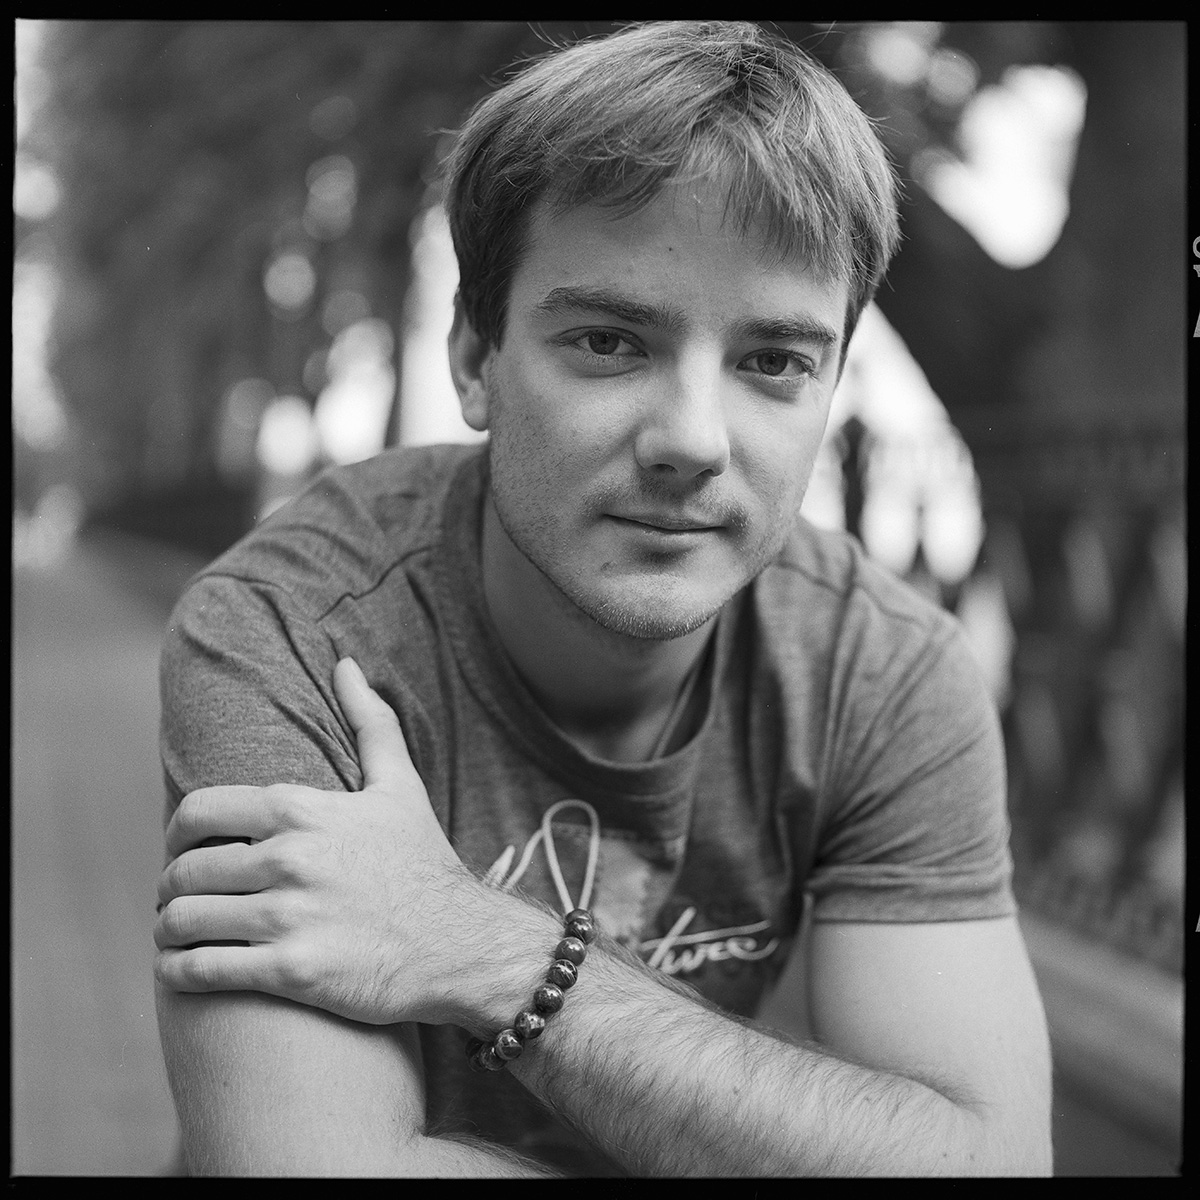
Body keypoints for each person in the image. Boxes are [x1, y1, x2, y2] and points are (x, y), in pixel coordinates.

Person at [153, 20, 1052, 1177]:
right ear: (474, 359)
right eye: (610, 342)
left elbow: (993, 1159)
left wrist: (477, 946)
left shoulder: (882, 671)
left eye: (773, 361)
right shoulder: (291, 633)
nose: (693, 440)